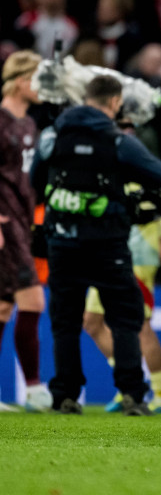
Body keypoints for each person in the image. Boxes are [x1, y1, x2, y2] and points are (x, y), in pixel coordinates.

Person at [30, 75, 161, 415]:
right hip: (108, 245)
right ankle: (133, 395)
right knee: (124, 319)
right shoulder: (117, 140)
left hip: (62, 241)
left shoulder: (53, 135)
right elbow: (159, 175)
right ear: (115, 102)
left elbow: (35, 178)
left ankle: (65, 394)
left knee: (65, 321)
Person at [83, 216, 161, 414]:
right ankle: (126, 383)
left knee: (140, 324)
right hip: (107, 252)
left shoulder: (139, 184)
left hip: (136, 254)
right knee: (92, 321)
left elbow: (156, 201)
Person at [0, 50, 52, 412]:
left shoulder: (30, 124)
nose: (42, 87)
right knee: (32, 299)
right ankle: (34, 390)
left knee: (3, 308)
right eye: (37, 79)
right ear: (21, 81)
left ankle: (33, 390)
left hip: (21, 219)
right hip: (4, 222)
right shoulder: (1, 121)